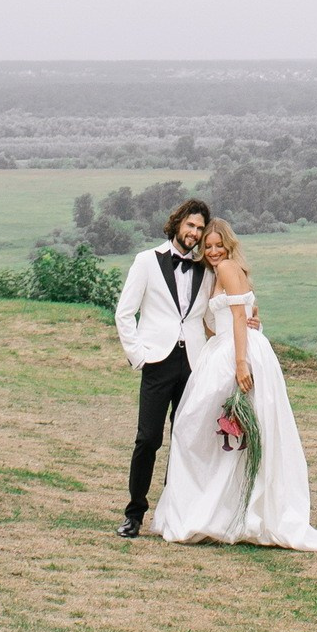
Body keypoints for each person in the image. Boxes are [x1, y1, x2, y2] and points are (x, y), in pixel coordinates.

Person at [151, 220, 317, 550]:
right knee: (221, 434)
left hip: (235, 354)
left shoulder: (226, 267)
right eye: (207, 246)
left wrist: (241, 363)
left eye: (217, 245)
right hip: (226, 348)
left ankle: (227, 512)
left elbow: (240, 318)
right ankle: (224, 510)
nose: (212, 252)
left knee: (203, 429)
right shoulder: (219, 272)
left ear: (228, 245)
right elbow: (238, 315)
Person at [113, 196, 214, 539]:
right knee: (148, 439)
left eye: (200, 228)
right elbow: (124, 313)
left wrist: (246, 320)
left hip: (193, 366)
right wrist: (139, 355)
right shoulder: (146, 261)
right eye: (190, 225)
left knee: (185, 441)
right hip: (157, 362)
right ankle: (134, 514)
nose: (195, 233)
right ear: (177, 223)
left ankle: (174, 514)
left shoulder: (207, 270)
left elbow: (211, 318)